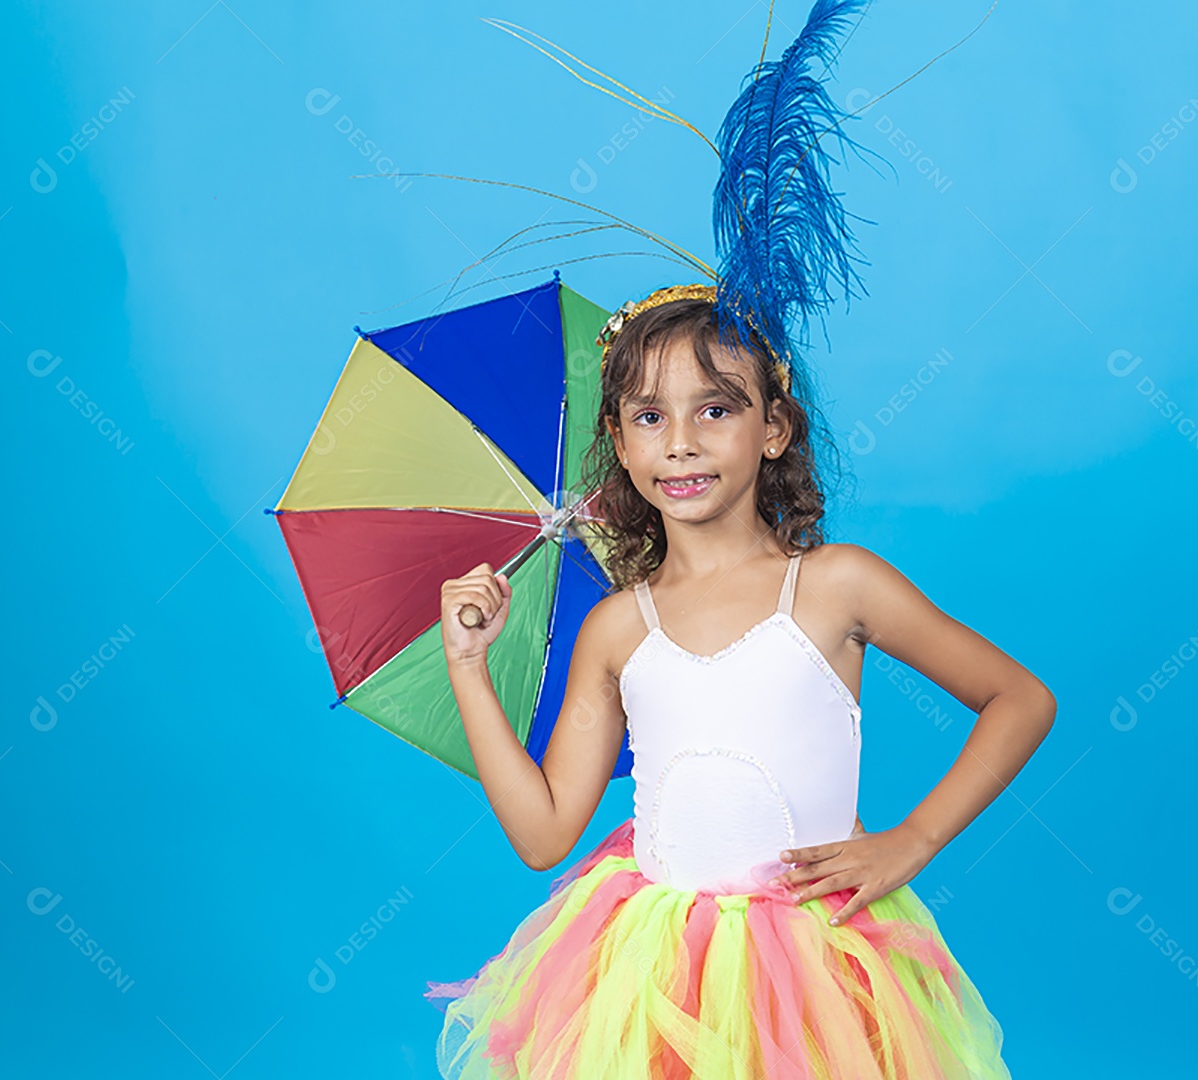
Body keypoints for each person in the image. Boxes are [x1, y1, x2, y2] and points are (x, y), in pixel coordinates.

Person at [423, 283, 1057, 1078]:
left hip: (811, 964)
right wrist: (468, 667)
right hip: (655, 969)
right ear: (619, 442)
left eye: (715, 410)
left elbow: (1021, 699)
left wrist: (912, 840)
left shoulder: (837, 587)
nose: (681, 443)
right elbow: (544, 833)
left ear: (774, 428)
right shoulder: (618, 629)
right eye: (650, 417)